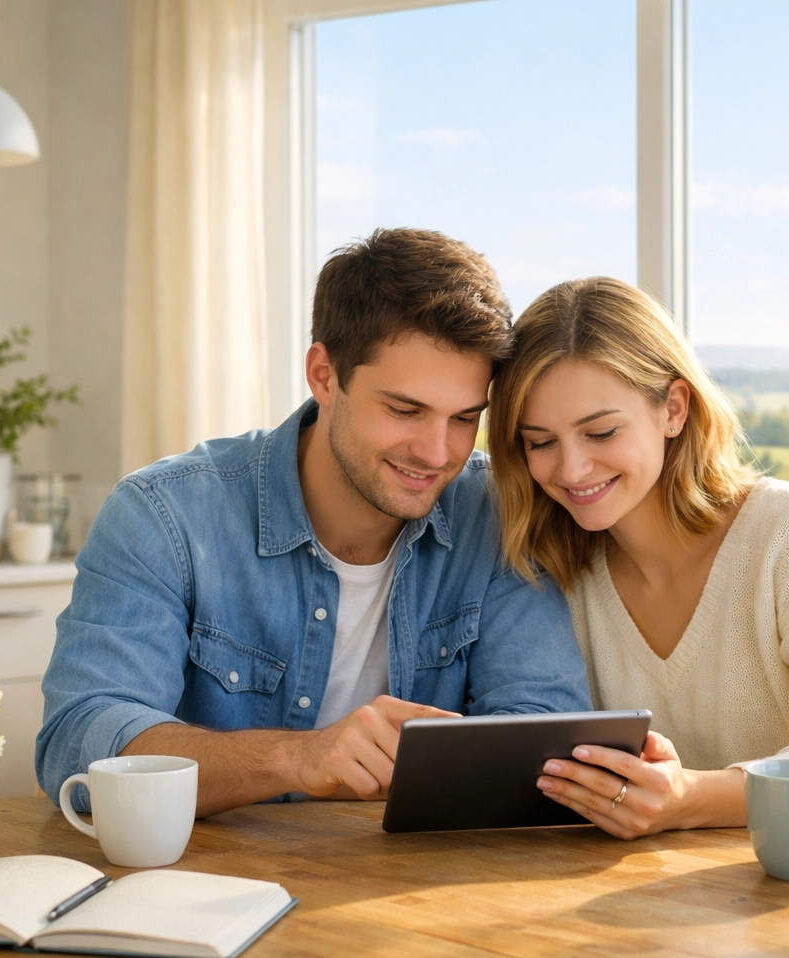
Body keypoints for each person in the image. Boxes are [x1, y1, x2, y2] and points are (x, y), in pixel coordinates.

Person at [37, 229, 592, 817]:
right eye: (405, 410)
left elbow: (548, 734)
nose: (436, 453)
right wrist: (294, 758)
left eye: (463, 418)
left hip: (412, 884)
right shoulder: (164, 514)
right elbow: (80, 740)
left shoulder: (496, 514)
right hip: (206, 886)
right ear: (324, 375)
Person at [487, 277, 789, 839]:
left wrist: (690, 799)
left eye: (601, 431)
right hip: (711, 897)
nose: (571, 469)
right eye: (540, 442)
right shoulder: (556, 567)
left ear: (674, 409)